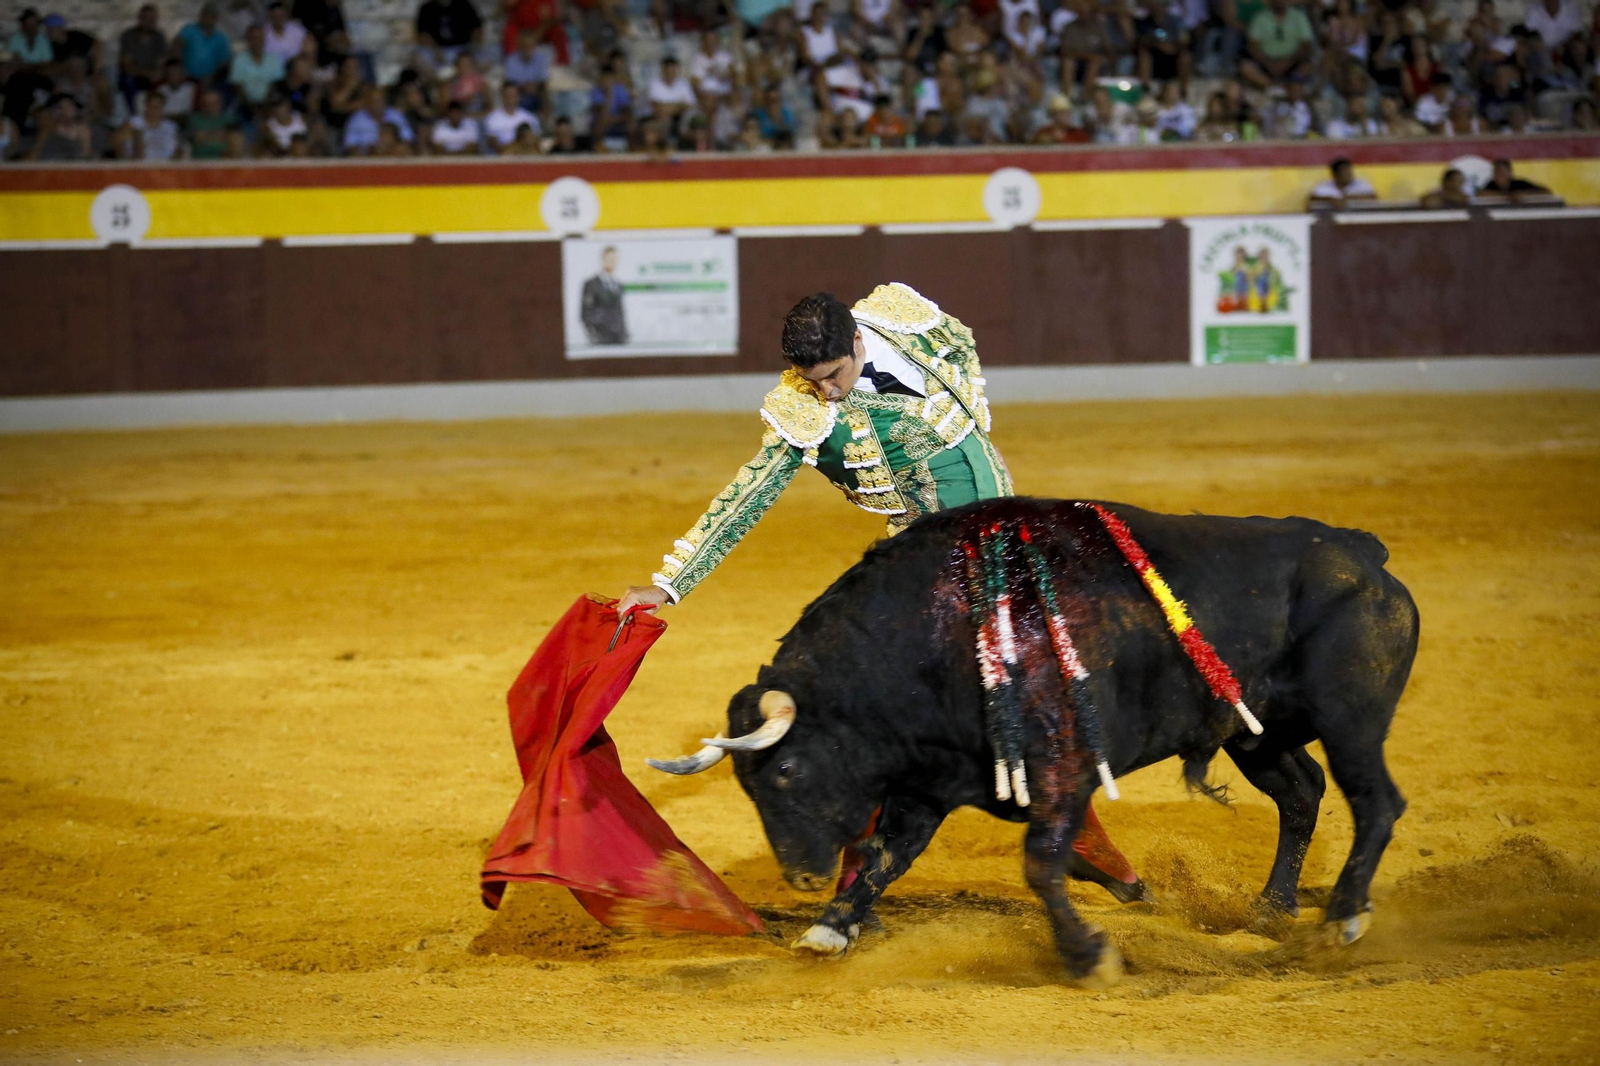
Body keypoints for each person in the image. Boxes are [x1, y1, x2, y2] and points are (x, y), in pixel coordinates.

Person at [616, 286, 1148, 903]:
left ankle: (1074, 829)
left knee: (1041, 679)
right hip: (929, 562)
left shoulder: (905, 320)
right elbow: (748, 495)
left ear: (857, 342)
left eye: (834, 376)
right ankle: (866, 864)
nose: (825, 393)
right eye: (812, 381)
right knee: (905, 702)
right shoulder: (802, 410)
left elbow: (963, 365)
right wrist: (669, 582)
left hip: (1010, 533)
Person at [1240, 0, 1313, 88]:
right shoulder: (1260, 17)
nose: (1280, 2)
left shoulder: (1299, 16)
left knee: (1308, 66)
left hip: (1291, 62)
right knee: (1245, 66)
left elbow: (1306, 45)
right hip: (1265, 62)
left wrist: (1288, 61)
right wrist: (1268, 62)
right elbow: (1252, 45)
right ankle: (1274, 86)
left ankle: (1285, 86)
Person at [228, 24, 284, 110]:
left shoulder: (274, 60)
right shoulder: (239, 61)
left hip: (269, 106)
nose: (257, 42)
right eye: (254, 39)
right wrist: (252, 108)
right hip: (245, 106)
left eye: (260, 38)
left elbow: (276, 86)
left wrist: (266, 105)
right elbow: (238, 89)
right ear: (248, 40)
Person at [175, 3, 234, 84]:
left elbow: (224, 62)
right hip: (186, 76)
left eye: (211, 16)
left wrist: (211, 76)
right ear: (200, 16)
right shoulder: (189, 30)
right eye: (205, 15)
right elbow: (176, 47)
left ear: (215, 19)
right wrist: (180, 69)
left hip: (210, 79)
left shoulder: (221, 39)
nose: (207, 19)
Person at [484, 81, 538, 149]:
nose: (510, 98)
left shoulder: (528, 117)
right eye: (508, 95)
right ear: (502, 96)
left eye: (513, 95)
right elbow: (493, 143)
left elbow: (535, 140)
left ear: (518, 96)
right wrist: (511, 149)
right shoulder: (492, 118)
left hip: (524, 152)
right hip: (503, 153)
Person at [1307, 157, 1377, 209]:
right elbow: (1312, 199)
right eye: (1344, 172)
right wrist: (1330, 200)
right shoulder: (1325, 185)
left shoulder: (1361, 184)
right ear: (1335, 174)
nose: (1348, 175)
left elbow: (1373, 197)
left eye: (1349, 172)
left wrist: (1349, 198)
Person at [1479, 158, 1552, 200]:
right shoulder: (1491, 184)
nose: (1499, 174)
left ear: (1510, 172)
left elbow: (1546, 191)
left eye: (1502, 171)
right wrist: (1506, 196)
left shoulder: (1519, 184)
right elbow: (1480, 195)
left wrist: (1521, 195)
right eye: (1496, 171)